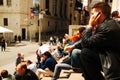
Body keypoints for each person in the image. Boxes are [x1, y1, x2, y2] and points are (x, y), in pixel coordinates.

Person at [79, 2, 120, 80]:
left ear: (99, 14)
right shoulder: (108, 24)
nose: (91, 17)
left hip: (114, 63)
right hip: (110, 57)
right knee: (81, 53)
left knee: (85, 53)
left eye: (92, 14)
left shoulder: (106, 27)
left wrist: (90, 26)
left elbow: (85, 43)